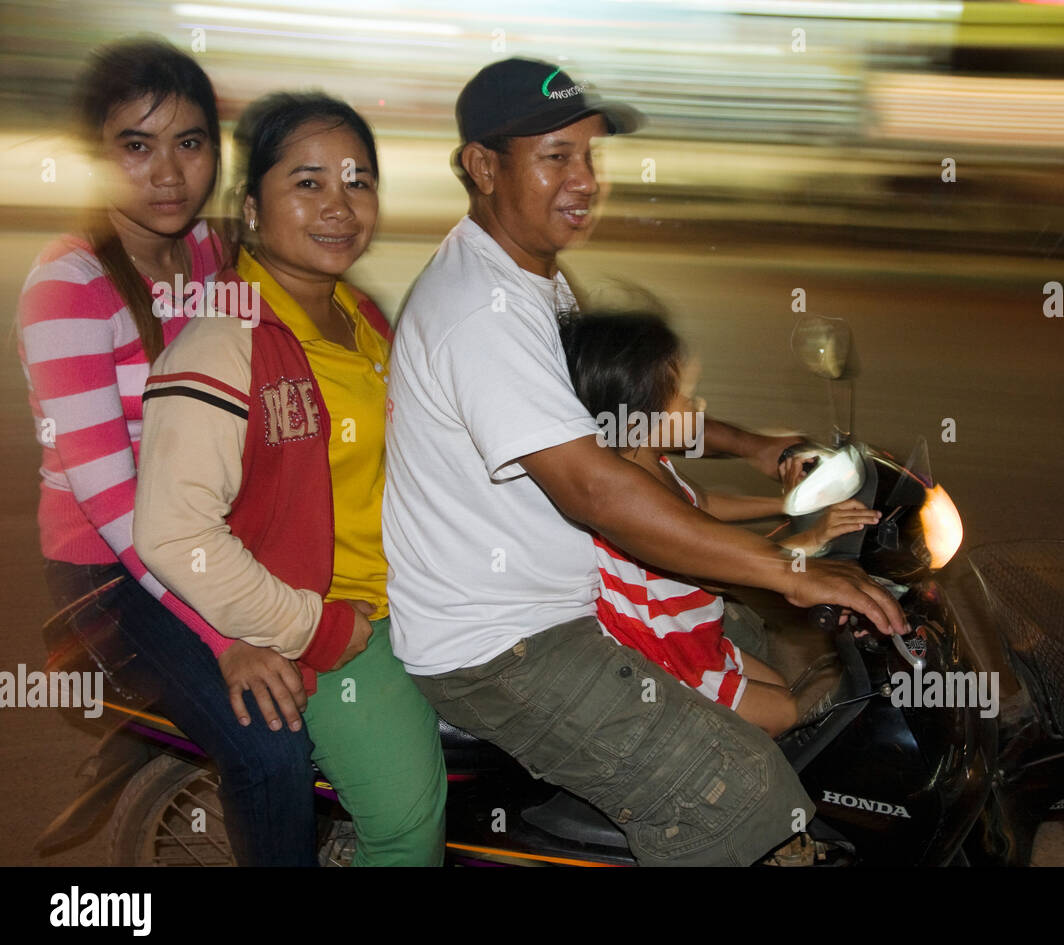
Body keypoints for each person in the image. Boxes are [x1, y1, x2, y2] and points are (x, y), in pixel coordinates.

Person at [384, 57, 908, 866]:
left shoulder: (531, 282)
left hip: (573, 600)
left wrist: (752, 446)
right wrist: (788, 568)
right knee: (740, 797)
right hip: (506, 646)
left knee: (782, 669)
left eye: (590, 156)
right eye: (555, 156)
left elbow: (621, 415)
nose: (585, 179)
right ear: (482, 167)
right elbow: (596, 485)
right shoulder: (478, 312)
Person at [16, 38, 319, 866]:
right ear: (95, 159)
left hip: (216, 529)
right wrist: (227, 638)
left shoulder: (213, 254)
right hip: (115, 571)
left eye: (189, 143)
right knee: (271, 743)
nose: (168, 173)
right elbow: (117, 509)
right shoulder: (69, 291)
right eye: (136, 146)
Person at [133, 91, 445, 866]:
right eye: (308, 183)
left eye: (358, 181)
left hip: (414, 598)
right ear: (250, 207)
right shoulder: (222, 345)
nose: (340, 207)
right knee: (408, 823)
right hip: (333, 628)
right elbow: (173, 532)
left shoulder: (359, 313)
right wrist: (316, 628)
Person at [558, 308, 880, 737]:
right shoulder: (628, 501)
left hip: (698, 635)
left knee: (786, 687)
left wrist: (785, 506)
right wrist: (812, 541)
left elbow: (703, 504)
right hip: (673, 660)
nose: (701, 406)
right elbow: (717, 570)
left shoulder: (650, 464)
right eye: (688, 399)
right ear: (640, 416)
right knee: (787, 712)